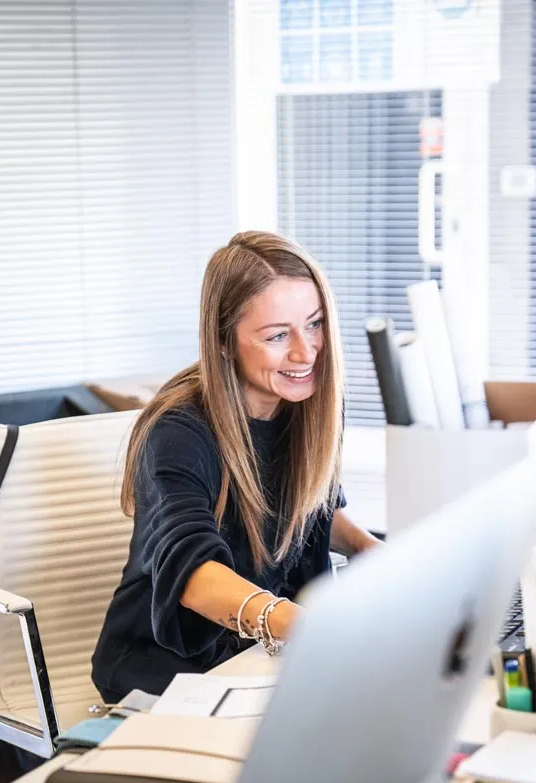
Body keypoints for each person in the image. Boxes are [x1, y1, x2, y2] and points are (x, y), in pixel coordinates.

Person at [92, 231, 381, 702]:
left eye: (314, 324)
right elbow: (193, 574)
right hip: (168, 663)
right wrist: (300, 625)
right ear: (225, 342)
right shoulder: (179, 432)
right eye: (276, 336)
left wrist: (371, 550)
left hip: (257, 647)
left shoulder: (305, 401)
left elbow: (312, 505)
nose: (305, 352)